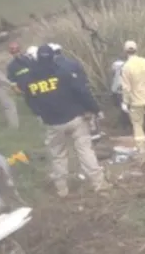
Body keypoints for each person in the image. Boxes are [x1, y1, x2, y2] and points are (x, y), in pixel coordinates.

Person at [19, 44, 108, 197]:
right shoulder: (63, 72)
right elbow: (82, 92)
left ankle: (62, 190)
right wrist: (95, 109)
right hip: (74, 118)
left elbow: (29, 101)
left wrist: (40, 114)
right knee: (85, 150)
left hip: (52, 123)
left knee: (58, 156)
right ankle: (99, 183)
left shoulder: (29, 79)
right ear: (53, 56)